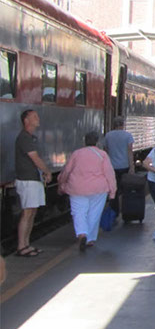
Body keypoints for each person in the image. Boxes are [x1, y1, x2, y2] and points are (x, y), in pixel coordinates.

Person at [57, 131, 116, 251]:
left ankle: (82, 233)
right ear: (97, 142)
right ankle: (90, 239)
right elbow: (109, 174)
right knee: (94, 213)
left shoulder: (76, 154)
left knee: (78, 212)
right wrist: (112, 191)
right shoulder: (102, 154)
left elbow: (67, 170)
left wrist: (61, 183)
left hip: (77, 188)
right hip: (98, 189)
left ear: (85, 141)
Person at [14, 109, 52, 257]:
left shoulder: (30, 138)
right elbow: (35, 158)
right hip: (27, 180)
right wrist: (47, 171)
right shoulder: (24, 138)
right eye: (34, 116)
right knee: (27, 212)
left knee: (32, 212)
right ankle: (21, 246)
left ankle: (26, 244)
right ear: (26, 121)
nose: (37, 118)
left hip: (33, 179)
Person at [102, 116, 134, 214]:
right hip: (124, 166)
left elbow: (106, 151)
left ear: (114, 125)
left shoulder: (108, 135)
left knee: (113, 189)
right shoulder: (128, 136)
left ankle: (114, 211)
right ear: (123, 124)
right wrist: (132, 166)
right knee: (125, 190)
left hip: (112, 167)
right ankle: (125, 210)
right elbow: (130, 152)